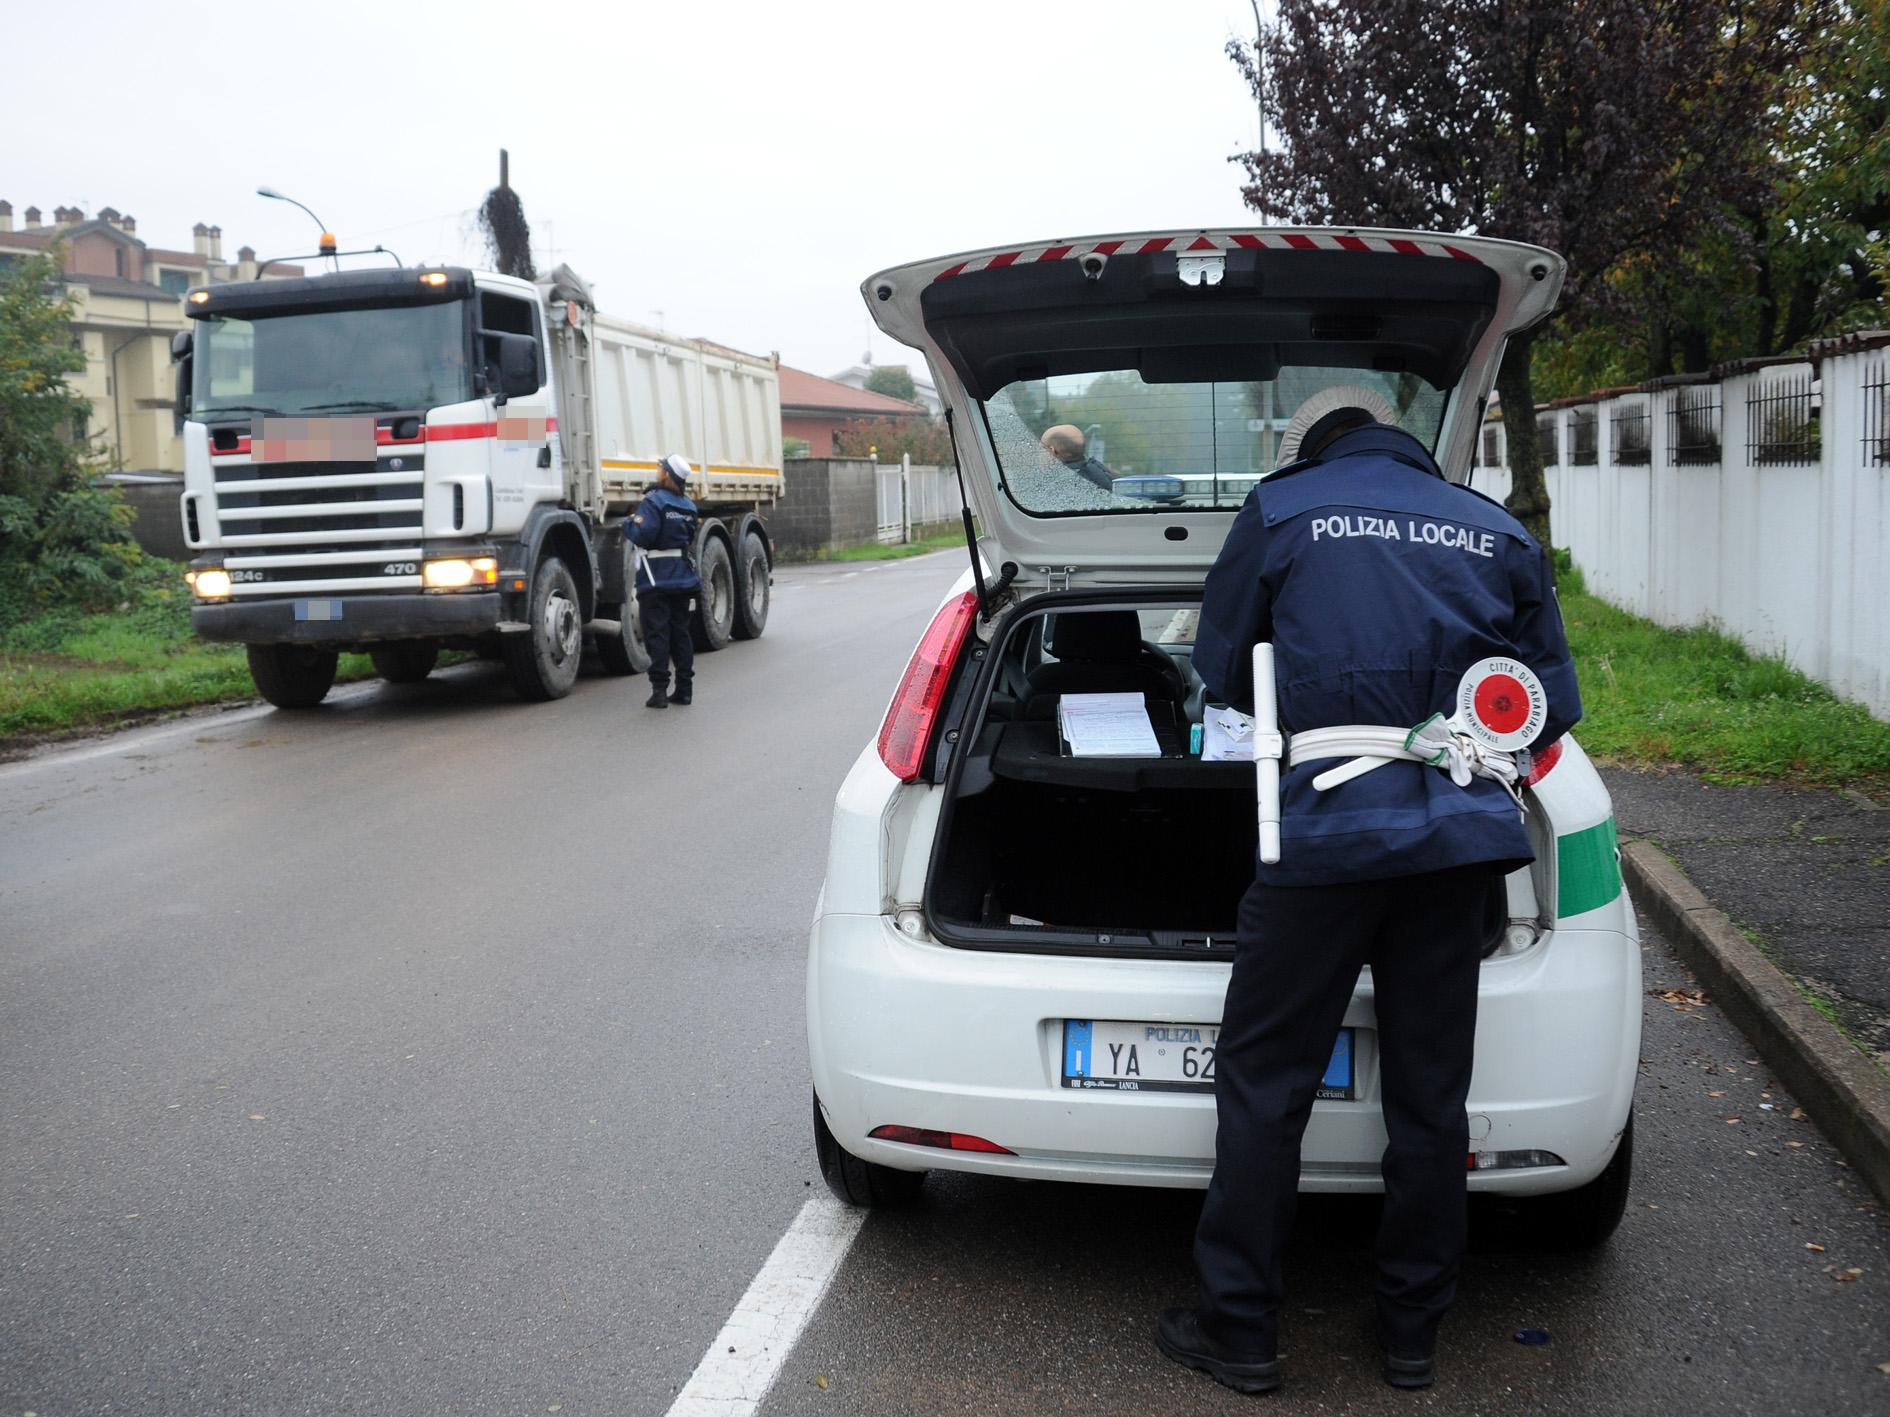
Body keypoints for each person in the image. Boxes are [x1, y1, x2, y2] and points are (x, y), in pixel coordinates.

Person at [1156, 406, 1582, 1395]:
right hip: (1456, 848)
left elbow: (1220, 671)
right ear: (1412, 453)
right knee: (1431, 1099)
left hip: (1320, 844)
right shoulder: (1496, 530)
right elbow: (1546, 702)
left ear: (1318, 452)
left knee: (1267, 1087)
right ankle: (1411, 1334)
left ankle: (1243, 1332)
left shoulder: (1286, 509)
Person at [625, 453, 701, 709]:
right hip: (682, 578)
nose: (657, 470)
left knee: (657, 635)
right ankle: (684, 690)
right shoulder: (689, 506)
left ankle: (659, 692)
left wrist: (629, 522)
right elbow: (688, 537)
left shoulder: (653, 501)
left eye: (660, 467)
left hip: (656, 579)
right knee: (681, 633)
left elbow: (643, 536)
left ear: (667, 473)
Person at [1038, 424, 1117, 493]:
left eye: (1041, 448)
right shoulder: (1108, 479)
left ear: (1053, 451)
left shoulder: (1052, 488)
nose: (1038, 454)